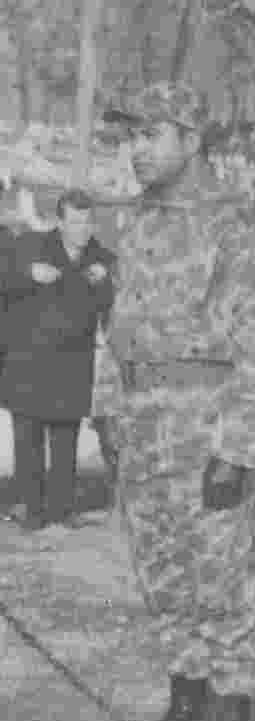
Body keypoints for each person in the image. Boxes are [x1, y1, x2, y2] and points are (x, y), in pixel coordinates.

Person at [95, 82, 255, 721]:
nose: (135, 150)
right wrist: (109, 406)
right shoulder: (138, 220)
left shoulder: (234, 221)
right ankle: (185, 710)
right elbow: (116, 325)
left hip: (206, 421)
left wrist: (237, 447)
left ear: (191, 139)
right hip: (145, 425)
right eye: (129, 138)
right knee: (165, 575)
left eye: (150, 135)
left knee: (226, 579)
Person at [0, 189, 115, 531]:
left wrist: (106, 280)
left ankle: (63, 509)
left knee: (66, 439)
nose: (82, 228)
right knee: (28, 439)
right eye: (75, 221)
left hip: (72, 362)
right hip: (28, 361)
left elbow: (116, 300)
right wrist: (26, 276)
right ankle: (31, 510)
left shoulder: (102, 258)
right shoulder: (30, 248)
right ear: (60, 221)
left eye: (87, 222)